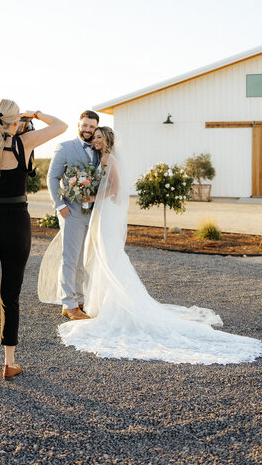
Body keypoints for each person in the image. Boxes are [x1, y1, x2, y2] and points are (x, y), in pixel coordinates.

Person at [56, 129, 262, 364]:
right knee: (104, 253)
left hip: (107, 209)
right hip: (105, 210)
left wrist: (92, 198)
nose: (95, 141)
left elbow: (115, 188)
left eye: (100, 138)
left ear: (108, 140)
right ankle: (103, 301)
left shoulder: (109, 159)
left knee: (109, 254)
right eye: (94, 138)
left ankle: (116, 302)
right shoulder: (102, 158)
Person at [0, 99, 67, 382]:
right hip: (15, 226)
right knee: (10, 297)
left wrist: (9, 122)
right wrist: (35, 114)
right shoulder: (25, 143)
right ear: (16, 121)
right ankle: (9, 363)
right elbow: (61, 126)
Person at [45, 110, 101, 320]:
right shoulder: (66, 148)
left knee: (83, 259)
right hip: (71, 211)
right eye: (85, 125)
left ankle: (78, 298)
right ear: (79, 124)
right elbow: (52, 177)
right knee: (70, 258)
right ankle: (68, 304)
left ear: (96, 128)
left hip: (91, 212)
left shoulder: (98, 149)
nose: (88, 129)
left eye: (91, 127)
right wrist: (59, 205)